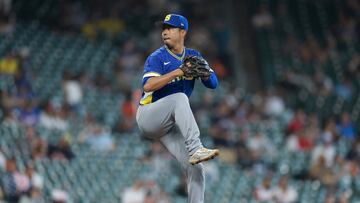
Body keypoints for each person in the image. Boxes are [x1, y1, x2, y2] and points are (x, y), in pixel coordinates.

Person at [136, 14, 219, 203]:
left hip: (171, 125)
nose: (165, 31)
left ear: (183, 32)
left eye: (170, 28)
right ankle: (196, 147)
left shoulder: (194, 56)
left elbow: (213, 84)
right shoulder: (157, 57)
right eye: (163, 28)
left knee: (196, 169)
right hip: (149, 116)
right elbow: (147, 86)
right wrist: (179, 72)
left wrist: (205, 73)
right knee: (180, 98)